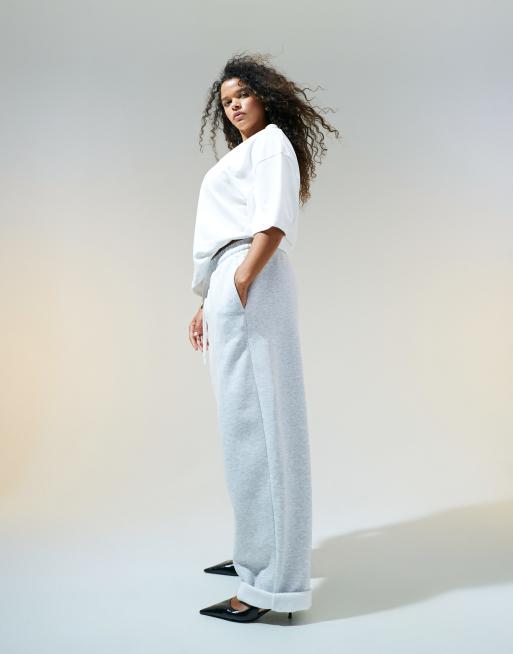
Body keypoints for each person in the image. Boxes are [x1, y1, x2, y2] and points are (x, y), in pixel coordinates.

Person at [188, 52, 340, 623]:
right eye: (226, 101)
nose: (233, 105)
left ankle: (270, 585)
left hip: (249, 276)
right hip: (233, 279)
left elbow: (271, 221)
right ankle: (258, 552)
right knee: (245, 426)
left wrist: (241, 279)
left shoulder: (271, 142)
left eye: (242, 95)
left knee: (260, 428)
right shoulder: (247, 151)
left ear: (265, 98)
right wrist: (209, 297)